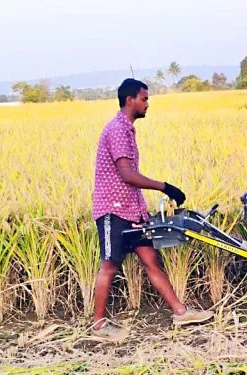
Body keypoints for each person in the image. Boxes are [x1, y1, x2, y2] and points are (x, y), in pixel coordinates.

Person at [90, 78, 214, 341]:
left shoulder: (128, 129)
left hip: (132, 211)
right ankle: (99, 325)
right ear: (130, 100)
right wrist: (165, 187)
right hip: (113, 210)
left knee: (151, 260)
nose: (148, 104)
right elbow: (127, 174)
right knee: (110, 265)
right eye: (144, 99)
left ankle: (180, 312)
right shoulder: (117, 130)